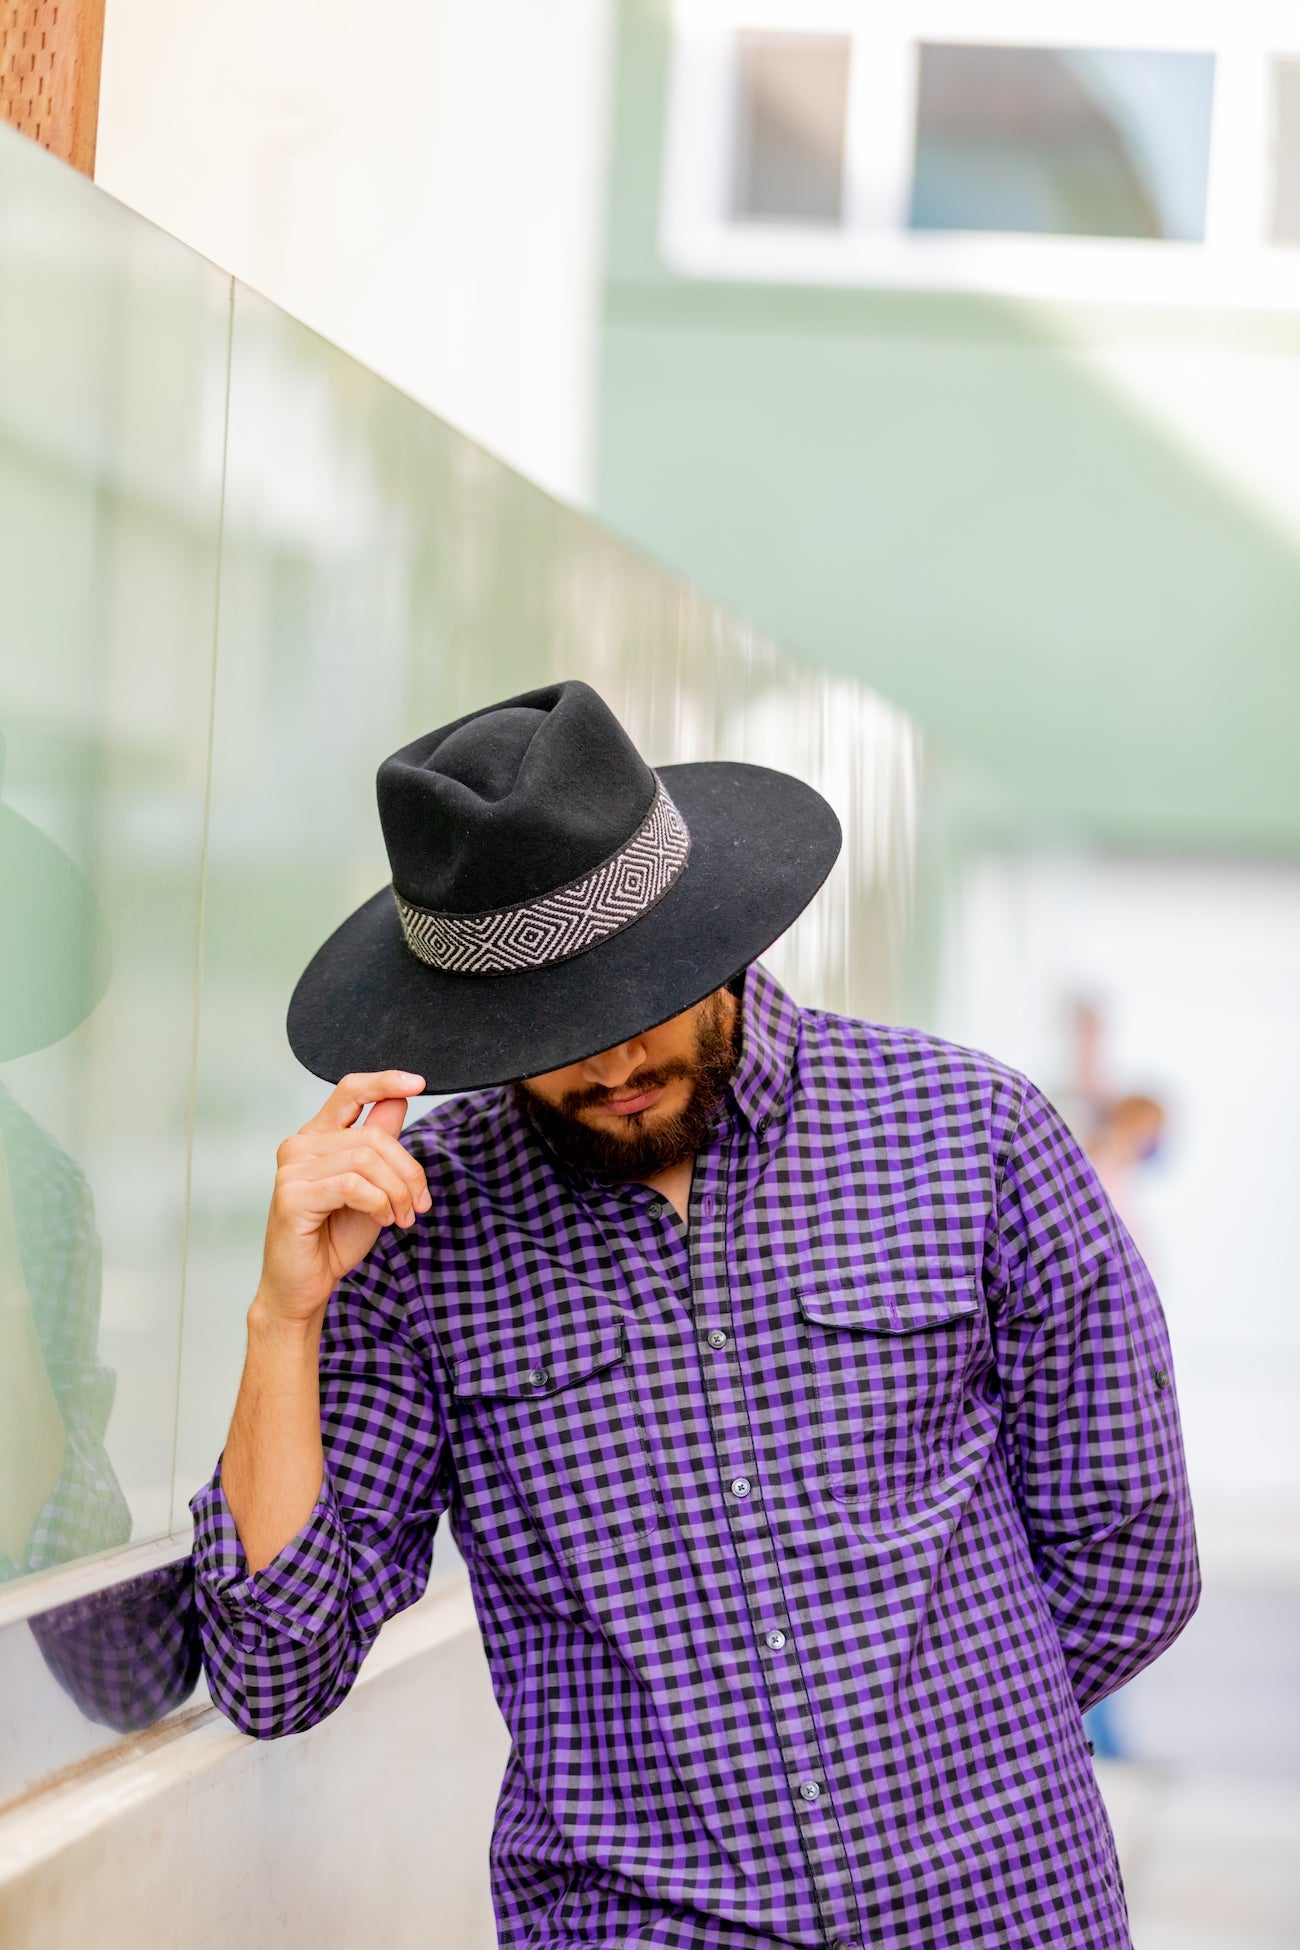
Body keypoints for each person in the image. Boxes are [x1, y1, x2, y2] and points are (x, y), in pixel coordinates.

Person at [188, 680, 1200, 1950]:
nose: (609, 1064)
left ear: (706, 930)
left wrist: (953, 1766)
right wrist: (283, 1320)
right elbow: (276, 1671)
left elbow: (1132, 1555)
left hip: (1001, 1911)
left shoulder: (973, 1135)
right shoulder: (416, 1239)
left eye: (628, 998)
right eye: (549, 1027)